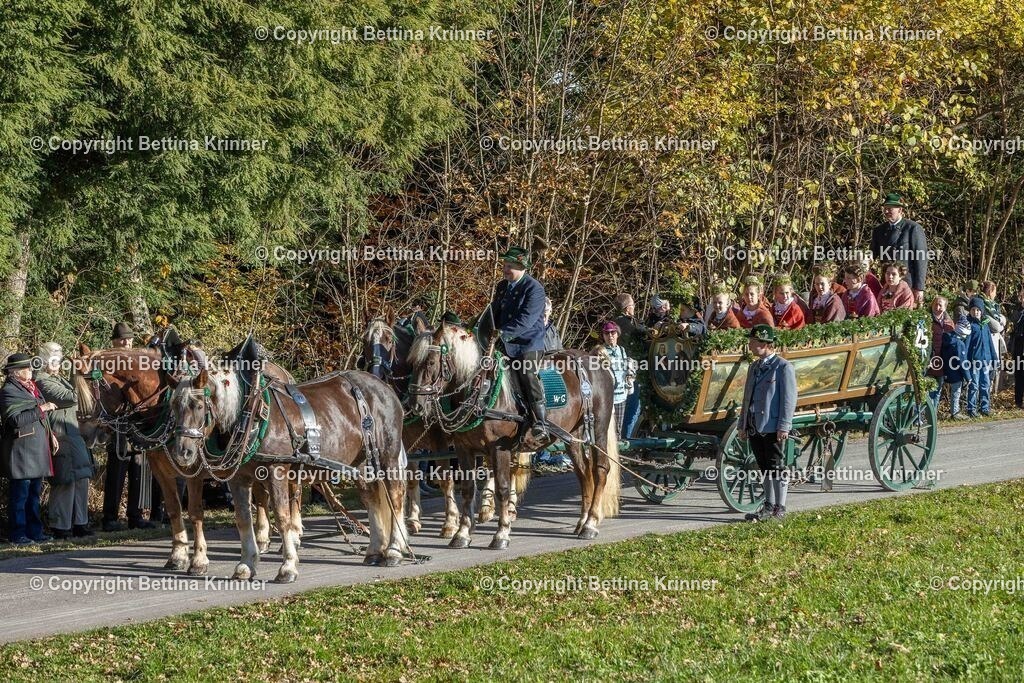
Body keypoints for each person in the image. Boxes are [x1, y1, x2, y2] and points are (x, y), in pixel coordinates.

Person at [36, 343, 96, 540]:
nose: (57, 363)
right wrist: (79, 374)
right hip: (59, 436)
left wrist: (78, 374)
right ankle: (60, 526)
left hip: (73, 435)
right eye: (53, 359)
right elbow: (70, 397)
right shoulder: (42, 381)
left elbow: (82, 397)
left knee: (82, 479)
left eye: (58, 359)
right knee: (64, 482)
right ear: (44, 361)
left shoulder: (59, 378)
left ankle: (80, 523)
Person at [101, 322, 157, 531]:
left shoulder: (139, 360)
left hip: (139, 423)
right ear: (114, 341)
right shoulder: (108, 361)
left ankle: (135, 515)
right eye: (122, 339)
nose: (126, 342)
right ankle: (110, 517)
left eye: (129, 338)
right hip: (118, 423)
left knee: (139, 471)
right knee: (116, 472)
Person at [490, 247, 549, 441]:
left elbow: (526, 320)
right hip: (502, 341)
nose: (505, 270)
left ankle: (540, 421)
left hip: (528, 343)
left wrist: (503, 333)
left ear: (521, 267)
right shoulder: (502, 286)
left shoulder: (534, 288)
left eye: (509, 266)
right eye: (504, 266)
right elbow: (492, 312)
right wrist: (474, 327)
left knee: (526, 371)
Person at [738, 325, 796, 522]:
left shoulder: (783, 367)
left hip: (772, 426)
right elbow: (747, 398)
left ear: (764, 344)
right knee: (764, 467)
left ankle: (781, 507)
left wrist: (784, 426)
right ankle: (768, 505)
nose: (750, 344)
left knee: (777, 466)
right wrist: (742, 424)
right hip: (755, 424)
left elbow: (788, 400)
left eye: (753, 341)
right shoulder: (754, 367)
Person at [1, 353, 58, 545]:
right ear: (15, 373)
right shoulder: (9, 391)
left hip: (37, 448)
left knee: (33, 495)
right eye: (27, 368)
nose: (31, 371)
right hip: (21, 451)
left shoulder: (32, 388)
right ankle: (18, 534)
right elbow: (15, 420)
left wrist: (51, 435)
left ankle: (35, 532)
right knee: (20, 497)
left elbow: (41, 417)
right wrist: (42, 409)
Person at [871, 193, 928, 306]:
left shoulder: (912, 228)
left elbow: (921, 259)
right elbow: (872, 254)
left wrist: (919, 287)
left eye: (889, 209)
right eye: (885, 209)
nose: (886, 211)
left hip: (907, 283)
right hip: (888, 283)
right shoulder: (879, 230)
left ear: (900, 210)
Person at [612, 294, 647, 439]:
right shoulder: (627, 324)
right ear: (627, 309)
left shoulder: (614, 322)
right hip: (630, 369)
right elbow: (642, 333)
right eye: (633, 305)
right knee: (633, 406)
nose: (634, 308)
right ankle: (627, 440)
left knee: (621, 406)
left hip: (619, 369)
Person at [597, 322, 635, 436]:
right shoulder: (601, 351)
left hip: (621, 396)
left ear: (617, 334)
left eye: (613, 333)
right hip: (607, 397)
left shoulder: (621, 350)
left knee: (618, 428)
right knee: (606, 428)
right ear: (603, 336)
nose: (610, 336)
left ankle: (616, 452)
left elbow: (626, 369)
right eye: (606, 333)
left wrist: (630, 375)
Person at [966, 296, 999, 418]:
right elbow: (967, 345)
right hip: (974, 361)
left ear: (982, 311)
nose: (976, 312)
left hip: (986, 360)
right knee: (974, 385)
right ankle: (971, 408)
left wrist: (995, 359)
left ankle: (985, 407)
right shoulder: (970, 325)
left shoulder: (985, 325)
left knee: (985, 385)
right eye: (973, 309)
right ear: (970, 311)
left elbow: (990, 343)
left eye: (978, 310)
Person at [926, 297, 955, 408]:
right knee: (927, 389)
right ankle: (924, 415)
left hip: (943, 360)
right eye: (935, 305)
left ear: (945, 308)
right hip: (930, 359)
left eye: (940, 305)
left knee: (938, 389)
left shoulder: (949, 323)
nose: (937, 308)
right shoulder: (926, 319)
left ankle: (933, 413)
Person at [942, 314, 972, 419]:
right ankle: (955, 412)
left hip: (944, 369)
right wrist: (968, 377)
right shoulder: (960, 344)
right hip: (955, 373)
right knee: (956, 392)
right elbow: (962, 362)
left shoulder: (947, 337)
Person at [980, 281, 1007, 394]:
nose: (996, 294)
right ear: (990, 291)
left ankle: (988, 397)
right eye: (995, 291)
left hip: (995, 342)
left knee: (994, 369)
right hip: (986, 341)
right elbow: (996, 327)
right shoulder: (981, 304)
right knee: (987, 369)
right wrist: (1001, 322)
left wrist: (1001, 320)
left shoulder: (994, 305)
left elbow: (1004, 320)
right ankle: (982, 399)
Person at [1012, 288, 1024, 409]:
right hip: (1019, 344)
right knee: (1019, 373)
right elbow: (1013, 321)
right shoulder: (1017, 309)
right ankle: (1018, 401)